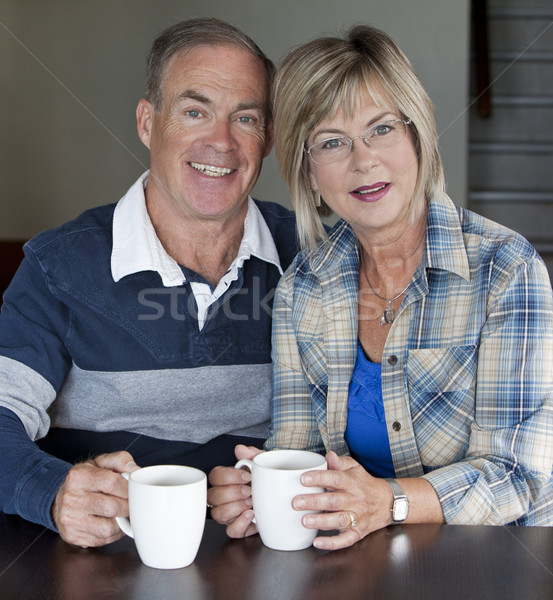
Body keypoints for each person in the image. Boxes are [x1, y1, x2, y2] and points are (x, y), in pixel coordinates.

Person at [208, 24, 553, 550]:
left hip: (497, 563)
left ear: (417, 134)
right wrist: (265, 491)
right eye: (331, 142)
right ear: (309, 172)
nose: (363, 159)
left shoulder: (507, 269)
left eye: (381, 129)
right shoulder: (304, 287)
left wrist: (387, 502)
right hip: (356, 564)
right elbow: (296, 449)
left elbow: (518, 475)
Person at [0, 17, 298, 548]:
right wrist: (51, 491)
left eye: (245, 118)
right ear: (146, 123)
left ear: (268, 138)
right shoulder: (58, 265)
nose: (221, 142)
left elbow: (363, 422)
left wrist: (277, 479)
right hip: (96, 556)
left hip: (264, 552)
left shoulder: (311, 255)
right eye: (194, 111)